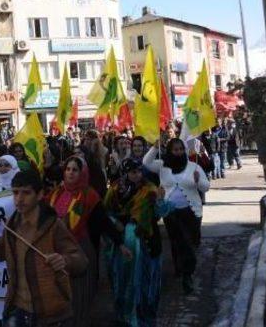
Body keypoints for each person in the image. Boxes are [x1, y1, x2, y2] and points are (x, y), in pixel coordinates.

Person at [0, 170, 88, 327]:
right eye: (15, 193)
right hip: (17, 312)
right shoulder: (11, 225)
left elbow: (81, 260)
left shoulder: (53, 226)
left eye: (26, 193)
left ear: (40, 194)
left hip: (50, 315)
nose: (19, 199)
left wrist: (65, 260)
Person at [47, 156, 131, 327]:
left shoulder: (89, 196)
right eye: (68, 169)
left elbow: (104, 222)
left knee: (79, 297)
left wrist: (120, 243)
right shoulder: (56, 194)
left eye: (75, 170)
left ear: (82, 173)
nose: (70, 173)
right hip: (57, 252)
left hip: (81, 251)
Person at [104, 159, 173, 326]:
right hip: (122, 244)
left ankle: (143, 318)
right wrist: (116, 224)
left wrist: (161, 200)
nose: (137, 175)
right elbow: (106, 212)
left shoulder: (150, 189)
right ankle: (125, 316)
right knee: (123, 280)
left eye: (139, 171)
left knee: (145, 283)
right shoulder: (115, 189)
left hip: (146, 241)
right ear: (125, 172)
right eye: (133, 172)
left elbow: (161, 213)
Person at [143, 138, 210, 294]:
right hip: (170, 211)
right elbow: (146, 162)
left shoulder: (194, 166)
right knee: (177, 241)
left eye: (181, 149)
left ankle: (187, 271)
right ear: (170, 151)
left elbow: (206, 187)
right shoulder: (162, 166)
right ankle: (182, 270)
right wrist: (154, 147)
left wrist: (198, 181)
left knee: (189, 242)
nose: (178, 152)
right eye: (175, 149)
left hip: (191, 211)